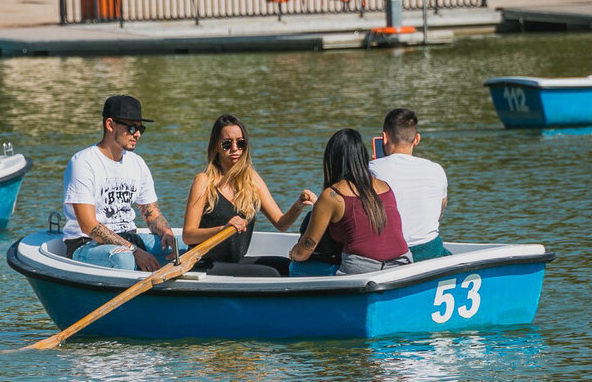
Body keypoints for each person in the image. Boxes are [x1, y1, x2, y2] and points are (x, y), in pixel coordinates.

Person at [182, 114, 316, 277]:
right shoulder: (203, 181)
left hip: (234, 262)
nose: (234, 148)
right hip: (203, 264)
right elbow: (188, 236)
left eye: (240, 143)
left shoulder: (251, 179)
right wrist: (223, 229)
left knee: (289, 266)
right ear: (216, 146)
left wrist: (299, 205)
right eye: (226, 143)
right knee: (269, 273)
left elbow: (281, 224)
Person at [62, 95, 181, 272]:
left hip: (128, 239)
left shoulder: (137, 163)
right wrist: (133, 250)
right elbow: (89, 225)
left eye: (141, 128)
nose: (138, 134)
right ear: (110, 125)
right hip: (88, 244)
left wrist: (167, 234)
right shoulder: (83, 162)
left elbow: (151, 213)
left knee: (182, 249)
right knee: (123, 259)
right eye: (132, 128)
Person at [289, 129, 410, 275]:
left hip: (364, 269)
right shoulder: (385, 186)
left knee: (296, 267)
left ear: (331, 161)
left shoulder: (332, 195)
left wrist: (293, 253)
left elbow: (302, 254)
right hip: (403, 263)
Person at [368, 109, 450, 261]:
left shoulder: (370, 170)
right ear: (417, 139)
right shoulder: (436, 169)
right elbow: (439, 212)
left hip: (392, 254)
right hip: (430, 251)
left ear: (384, 138)